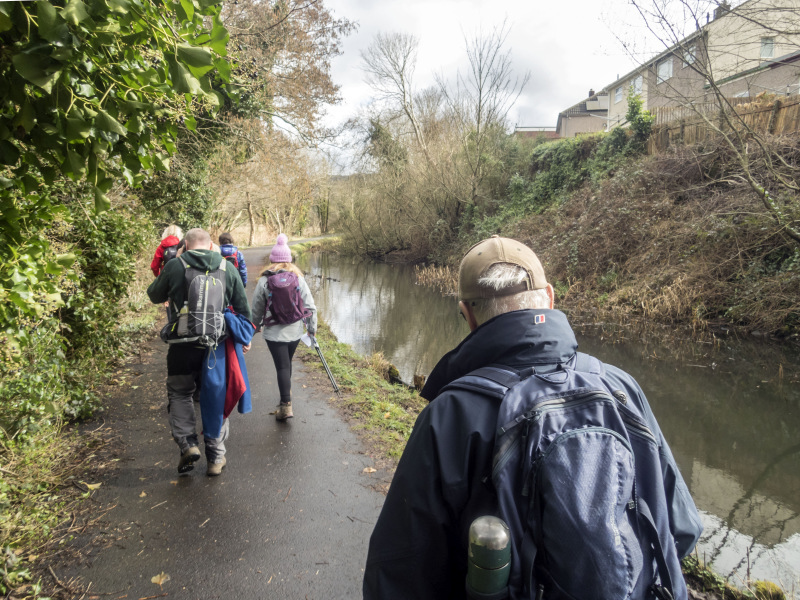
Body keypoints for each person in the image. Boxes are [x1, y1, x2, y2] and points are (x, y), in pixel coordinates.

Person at [363, 236, 703, 599]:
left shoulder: (450, 415)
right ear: (551, 298)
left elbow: (400, 573)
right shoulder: (621, 387)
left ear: (468, 315)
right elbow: (681, 528)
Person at [147, 228, 252, 476]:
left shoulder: (175, 265)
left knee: (181, 393)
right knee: (214, 397)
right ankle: (216, 457)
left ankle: (188, 444)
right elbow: (243, 310)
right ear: (211, 245)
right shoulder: (228, 268)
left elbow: (154, 295)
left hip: (181, 347)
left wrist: (176, 264)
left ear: (185, 245)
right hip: (215, 349)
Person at [251, 233, 317, 421]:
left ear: (272, 259)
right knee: (286, 364)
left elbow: (256, 306)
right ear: (289, 260)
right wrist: (312, 329)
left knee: (282, 366)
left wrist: (254, 326)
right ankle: (284, 401)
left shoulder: (265, 280)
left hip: (274, 332)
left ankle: (286, 406)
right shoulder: (298, 279)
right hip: (295, 331)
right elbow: (310, 307)